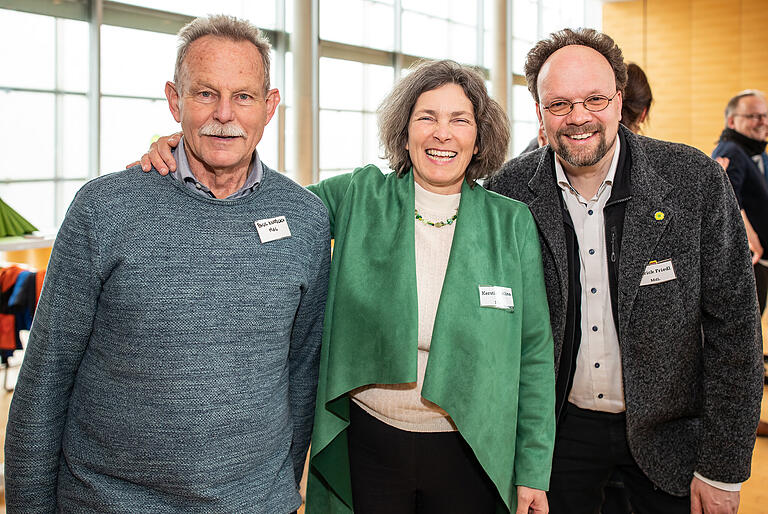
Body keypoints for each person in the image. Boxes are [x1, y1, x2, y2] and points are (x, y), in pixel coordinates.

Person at [138, 60, 557, 514]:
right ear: (404, 130)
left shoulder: (511, 222)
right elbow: (263, 203)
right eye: (427, 117)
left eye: (459, 119)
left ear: (479, 135)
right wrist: (195, 153)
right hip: (370, 441)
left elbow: (533, 354)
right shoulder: (359, 196)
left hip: (474, 447)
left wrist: (533, 470)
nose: (442, 133)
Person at [4, 15, 330, 513]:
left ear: (270, 106)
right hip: (110, 503)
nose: (225, 114)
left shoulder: (304, 218)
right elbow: (46, 378)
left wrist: (277, 494)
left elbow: (302, 375)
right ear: (175, 100)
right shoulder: (104, 208)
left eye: (243, 96)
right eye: (205, 94)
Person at [485, 28, 764, 514]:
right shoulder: (508, 193)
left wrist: (722, 467)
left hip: (674, 444)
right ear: (539, 113)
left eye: (595, 99)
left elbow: (735, 329)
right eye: (560, 104)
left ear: (619, 101)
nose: (579, 118)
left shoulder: (691, 180)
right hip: (555, 446)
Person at [711, 90, 768, 438]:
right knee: (743, 339)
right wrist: (751, 238)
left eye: (765, 116)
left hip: (762, 264)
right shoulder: (729, 151)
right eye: (754, 117)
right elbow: (726, 196)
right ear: (733, 121)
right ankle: (737, 422)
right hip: (750, 261)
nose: (762, 122)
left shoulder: (756, 154)